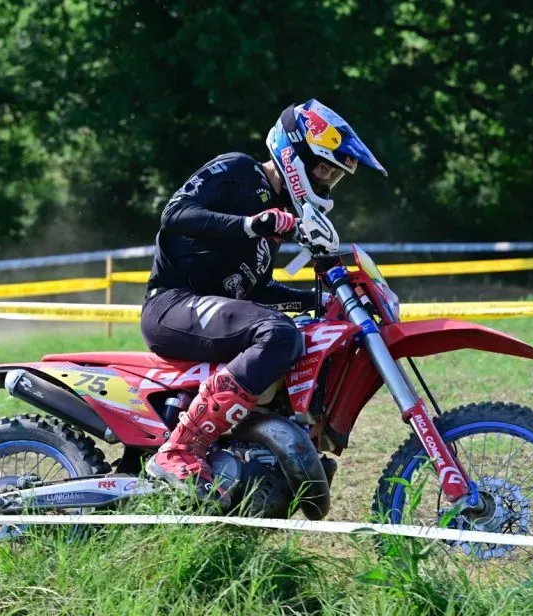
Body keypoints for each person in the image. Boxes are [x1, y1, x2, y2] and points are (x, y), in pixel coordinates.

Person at [140, 99, 387, 503]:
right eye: (322, 166)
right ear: (295, 154)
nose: (326, 179)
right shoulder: (238, 170)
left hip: (212, 312)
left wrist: (319, 301)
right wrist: (250, 225)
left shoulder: (278, 215)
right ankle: (180, 449)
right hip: (171, 304)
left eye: (334, 175)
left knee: (302, 333)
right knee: (277, 334)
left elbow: (254, 290)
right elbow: (175, 213)